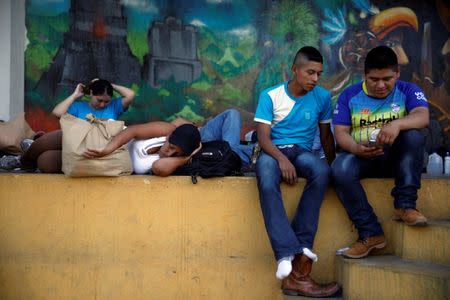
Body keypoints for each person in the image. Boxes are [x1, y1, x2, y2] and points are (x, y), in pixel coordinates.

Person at [254, 46, 339, 297]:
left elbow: (325, 137)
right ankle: (284, 253)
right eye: (310, 72)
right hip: (272, 150)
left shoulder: (322, 97)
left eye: (319, 74)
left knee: (321, 172)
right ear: (295, 70)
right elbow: (262, 137)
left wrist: (332, 167)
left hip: (302, 152)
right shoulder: (270, 95)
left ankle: (302, 244)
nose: (315, 78)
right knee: (267, 180)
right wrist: (281, 159)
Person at [331, 45, 429, 259]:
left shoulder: (409, 90)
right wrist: (356, 148)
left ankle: (405, 206)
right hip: (363, 158)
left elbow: (422, 116)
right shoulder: (349, 95)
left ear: (397, 73)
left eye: (387, 78)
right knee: (339, 168)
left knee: (414, 135)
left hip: (397, 160)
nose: (381, 85)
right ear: (364, 74)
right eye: (374, 79)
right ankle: (371, 233)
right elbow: (340, 133)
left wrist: (397, 125)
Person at [0, 79, 135, 172]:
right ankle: (25, 157)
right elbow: (56, 113)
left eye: (106, 101)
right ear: (91, 93)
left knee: (44, 161)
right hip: (75, 148)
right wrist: (75, 94)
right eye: (99, 100)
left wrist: (107, 84)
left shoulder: (114, 106)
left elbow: (130, 94)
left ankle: (30, 151)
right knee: (45, 159)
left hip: (100, 149)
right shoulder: (78, 107)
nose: (102, 105)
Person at [84, 109, 254, 176]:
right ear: (168, 137)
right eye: (170, 147)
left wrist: (189, 155)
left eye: (175, 152)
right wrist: (108, 149)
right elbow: (132, 131)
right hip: (198, 139)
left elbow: (159, 168)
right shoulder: (167, 130)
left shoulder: (174, 159)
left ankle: (245, 150)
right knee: (228, 145)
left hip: (197, 146)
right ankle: (248, 149)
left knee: (227, 152)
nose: (169, 153)